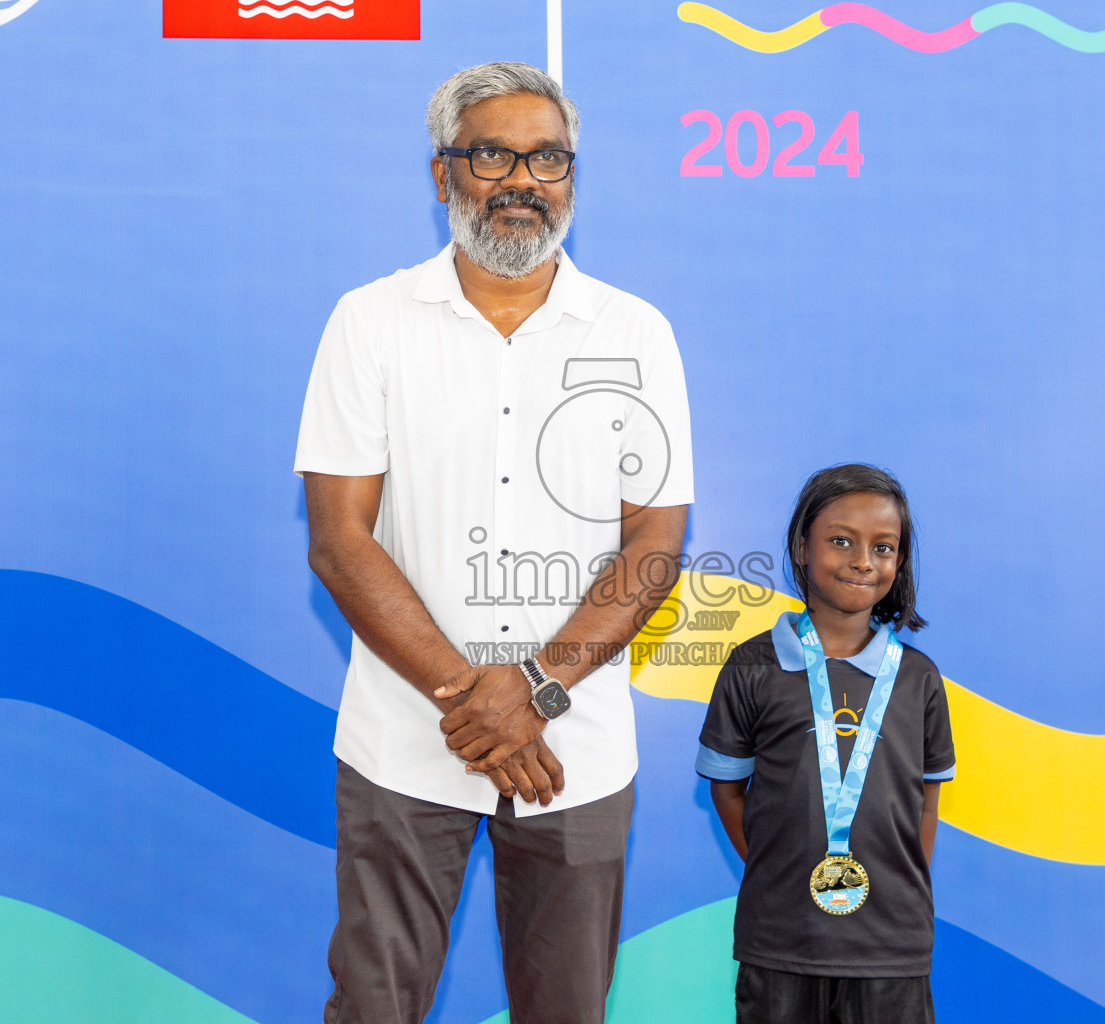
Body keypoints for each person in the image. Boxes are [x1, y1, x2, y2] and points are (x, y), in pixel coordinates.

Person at [295, 63, 694, 1024]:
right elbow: (340, 542)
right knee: (373, 1009)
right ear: (443, 177)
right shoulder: (369, 322)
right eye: (493, 155)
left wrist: (538, 690)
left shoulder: (637, 333)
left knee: (567, 1010)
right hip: (403, 743)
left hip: (577, 750)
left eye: (549, 159)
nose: (524, 180)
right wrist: (477, 700)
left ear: (572, 178)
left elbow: (653, 542)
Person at [696, 464, 955, 1024]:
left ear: (900, 561)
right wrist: (781, 868)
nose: (863, 560)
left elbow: (927, 800)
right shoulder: (752, 666)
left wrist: (897, 881)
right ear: (801, 547)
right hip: (782, 937)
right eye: (841, 541)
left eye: (884, 547)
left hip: (892, 944)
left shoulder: (917, 678)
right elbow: (727, 790)